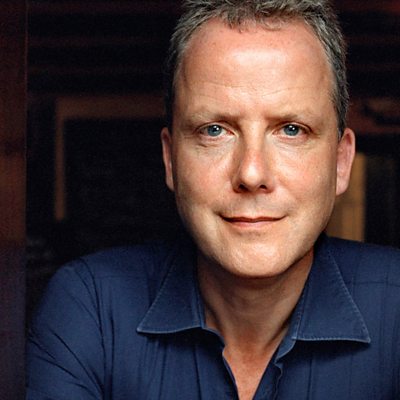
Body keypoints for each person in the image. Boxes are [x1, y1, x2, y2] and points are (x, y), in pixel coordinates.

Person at [26, 1, 400, 399]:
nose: (251, 173)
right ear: (171, 160)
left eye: (291, 129)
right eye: (215, 130)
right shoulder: (93, 308)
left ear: (341, 162)